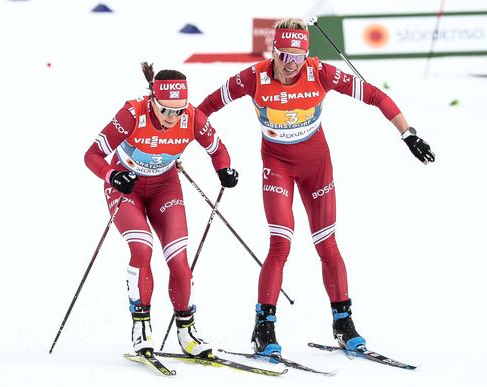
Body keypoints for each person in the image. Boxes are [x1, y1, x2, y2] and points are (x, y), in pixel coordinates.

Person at [198, 18, 435, 356]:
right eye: (283, 55)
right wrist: (207, 155)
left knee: (328, 245)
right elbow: (202, 112)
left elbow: (374, 95)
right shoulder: (252, 77)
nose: (289, 64)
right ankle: (263, 327)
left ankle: (343, 322)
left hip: (316, 167)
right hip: (277, 166)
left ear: (306, 55)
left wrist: (408, 133)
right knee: (280, 244)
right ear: (274, 51)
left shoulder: (320, 72)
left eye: (297, 57)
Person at [84, 62, 239, 357]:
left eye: (178, 110)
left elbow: (218, 150)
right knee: (142, 248)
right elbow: (92, 154)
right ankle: (141, 325)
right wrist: (112, 175)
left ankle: (187, 330)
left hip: (164, 187)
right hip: (125, 186)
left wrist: (224, 170)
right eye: (165, 110)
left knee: (178, 256)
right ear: (152, 101)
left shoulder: (192, 118)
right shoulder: (132, 114)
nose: (172, 117)